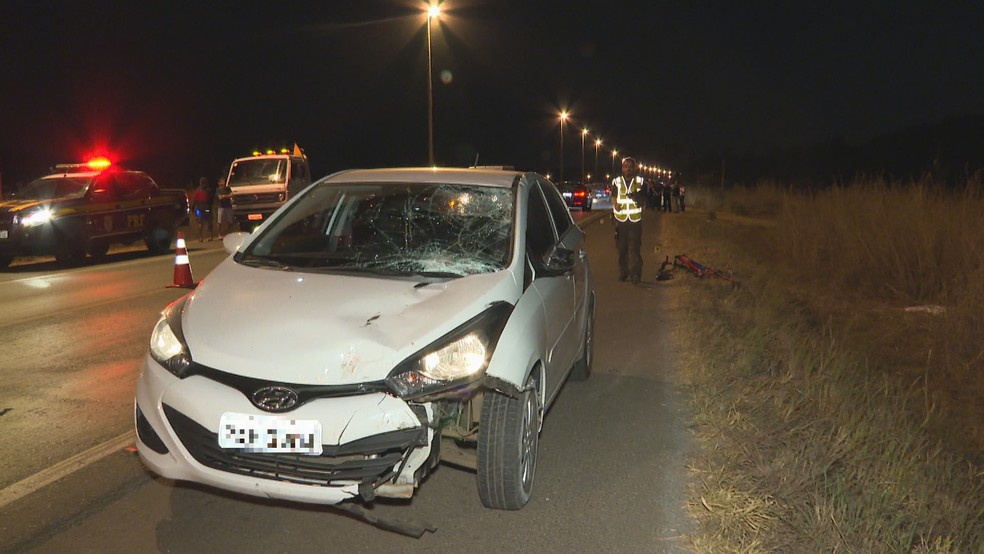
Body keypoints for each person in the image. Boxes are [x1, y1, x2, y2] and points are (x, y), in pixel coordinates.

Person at [609, 157, 647, 284]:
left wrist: (637, 197)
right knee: (622, 248)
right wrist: (616, 205)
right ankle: (623, 272)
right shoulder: (617, 181)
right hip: (621, 220)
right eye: (625, 166)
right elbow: (613, 196)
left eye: (630, 166)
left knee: (635, 249)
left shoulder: (640, 181)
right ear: (622, 168)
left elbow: (644, 198)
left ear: (635, 168)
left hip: (635, 221)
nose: (628, 169)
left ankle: (635, 274)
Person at [192, 177, 215, 241]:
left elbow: (195, 200)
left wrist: (193, 208)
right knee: (209, 222)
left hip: (199, 209)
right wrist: (210, 207)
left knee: (200, 222)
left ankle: (200, 237)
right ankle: (210, 236)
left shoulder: (197, 190)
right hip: (207, 208)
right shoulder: (208, 190)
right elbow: (211, 200)